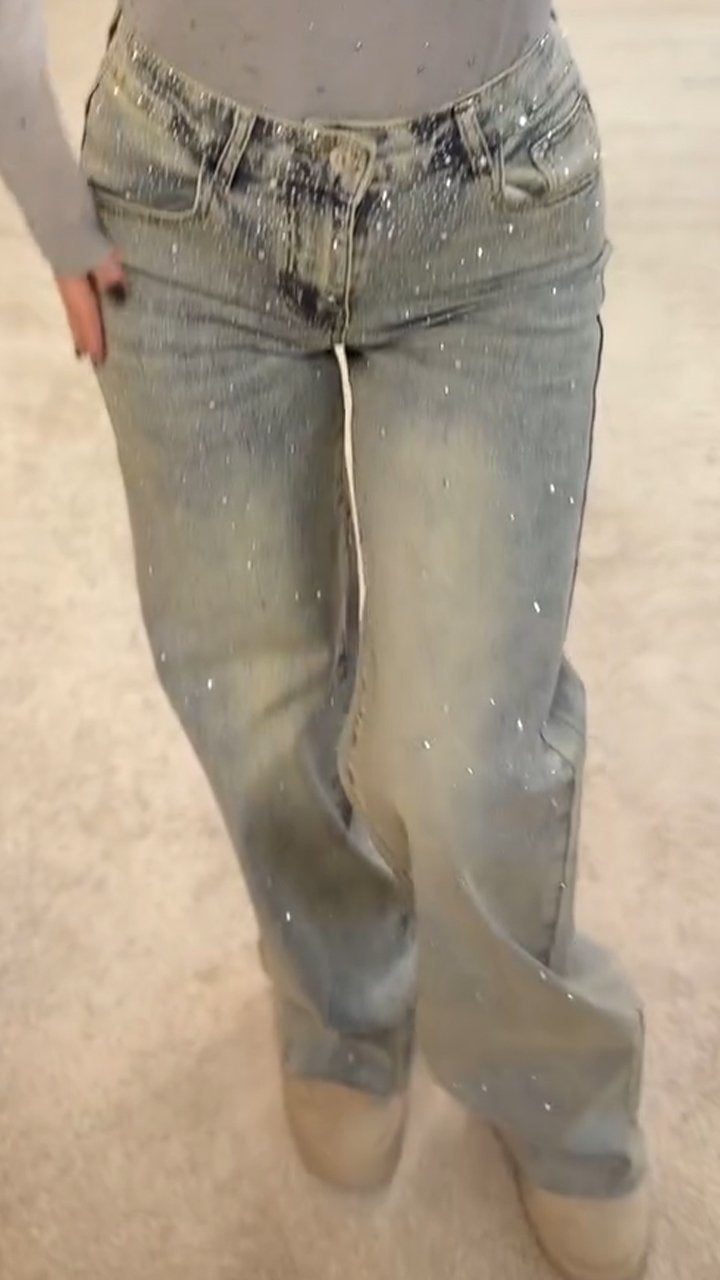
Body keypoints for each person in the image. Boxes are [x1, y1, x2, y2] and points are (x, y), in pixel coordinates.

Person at [0, 2, 650, 1276]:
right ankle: (344, 1004)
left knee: (463, 755)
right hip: (182, 199)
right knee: (253, 699)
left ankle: (548, 1078)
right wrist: (36, 171)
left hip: (492, 191)